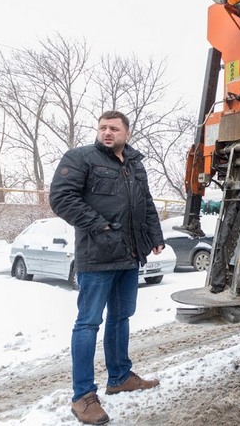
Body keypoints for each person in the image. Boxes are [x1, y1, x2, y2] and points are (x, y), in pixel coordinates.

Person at [49, 110, 165, 425]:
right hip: (97, 254)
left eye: (114, 128)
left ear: (127, 132)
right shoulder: (81, 158)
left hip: (129, 254)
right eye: (102, 128)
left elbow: (146, 203)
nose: (107, 132)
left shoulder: (135, 164)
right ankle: (83, 397)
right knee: (88, 323)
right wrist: (100, 226)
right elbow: (61, 198)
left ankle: (120, 377)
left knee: (121, 317)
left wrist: (155, 236)